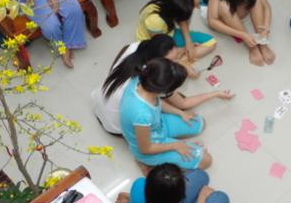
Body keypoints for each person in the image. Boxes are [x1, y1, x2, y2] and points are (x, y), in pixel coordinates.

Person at [93, 35, 233, 135]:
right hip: (114, 124)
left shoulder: (135, 46)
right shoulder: (152, 79)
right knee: (197, 123)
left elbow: (112, 71)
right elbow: (184, 103)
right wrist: (215, 93)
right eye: (172, 60)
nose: (177, 60)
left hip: (99, 99)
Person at [119, 57, 214, 171]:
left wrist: (180, 113)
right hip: (148, 146)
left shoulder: (143, 79)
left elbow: (157, 102)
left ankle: (170, 140)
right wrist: (175, 145)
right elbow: (145, 148)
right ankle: (146, 164)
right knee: (207, 161)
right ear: (163, 90)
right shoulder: (142, 115)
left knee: (199, 123)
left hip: (157, 124)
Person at [203, 0, 275, 65]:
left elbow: (266, 6)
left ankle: (262, 41)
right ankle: (252, 47)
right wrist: (242, 35)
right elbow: (212, 21)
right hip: (214, 13)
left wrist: (266, 27)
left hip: (236, 6)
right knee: (224, 6)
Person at [136, 0, 216, 63]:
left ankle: (175, 63)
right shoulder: (155, 20)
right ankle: (175, 64)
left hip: (168, 34)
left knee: (211, 42)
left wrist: (188, 42)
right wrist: (181, 50)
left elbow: (183, 20)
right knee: (162, 59)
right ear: (174, 14)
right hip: (154, 43)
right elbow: (159, 48)